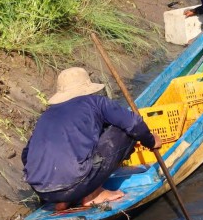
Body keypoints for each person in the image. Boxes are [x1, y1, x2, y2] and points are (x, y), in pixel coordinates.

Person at [22, 67, 159, 209]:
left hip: (43, 192)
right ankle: (93, 194)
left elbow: (26, 155)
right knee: (125, 131)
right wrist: (151, 141)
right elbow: (134, 124)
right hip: (76, 184)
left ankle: (62, 201)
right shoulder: (96, 102)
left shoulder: (46, 116)